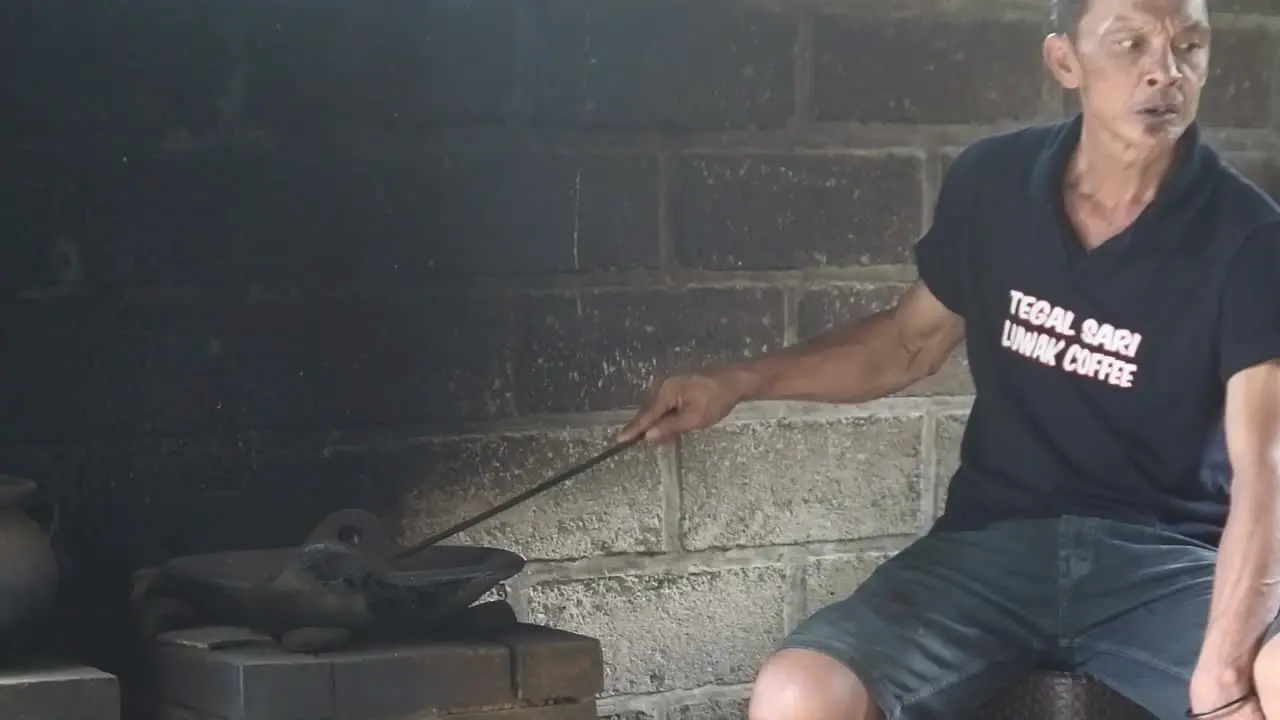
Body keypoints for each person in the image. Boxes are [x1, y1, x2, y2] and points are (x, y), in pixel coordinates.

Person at [618, 0, 1280, 717]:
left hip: (1170, 564)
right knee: (796, 691)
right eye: (1131, 44)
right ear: (1065, 61)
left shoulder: (1250, 238)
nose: (1165, 72)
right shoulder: (993, 182)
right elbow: (907, 343)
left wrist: (1221, 669)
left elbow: (1266, 469)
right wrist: (735, 382)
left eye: (1189, 45)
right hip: (989, 551)